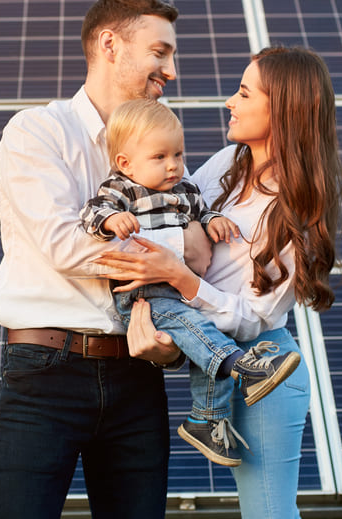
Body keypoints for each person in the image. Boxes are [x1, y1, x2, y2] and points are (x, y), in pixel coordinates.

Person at [0, 0, 212, 519]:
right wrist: (180, 247)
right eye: (160, 52)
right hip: (46, 372)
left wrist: (172, 341)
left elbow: (198, 268)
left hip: (139, 374)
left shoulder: (166, 150)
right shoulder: (37, 131)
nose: (171, 70)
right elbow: (65, 245)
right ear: (110, 44)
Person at [95, 46, 342, 519]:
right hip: (213, 353)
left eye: (245, 93)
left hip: (268, 367)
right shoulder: (230, 162)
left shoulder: (298, 210)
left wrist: (180, 278)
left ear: (285, 109)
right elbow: (171, 205)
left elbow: (255, 318)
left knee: (268, 513)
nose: (230, 101)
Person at [79, 96, 301, 466]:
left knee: (204, 330)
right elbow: (92, 212)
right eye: (160, 157)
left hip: (180, 291)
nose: (174, 166)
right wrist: (109, 221)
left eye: (178, 155)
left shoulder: (185, 189)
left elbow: (203, 211)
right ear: (125, 163)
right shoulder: (123, 189)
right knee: (196, 327)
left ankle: (207, 419)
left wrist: (214, 221)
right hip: (144, 294)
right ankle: (242, 367)